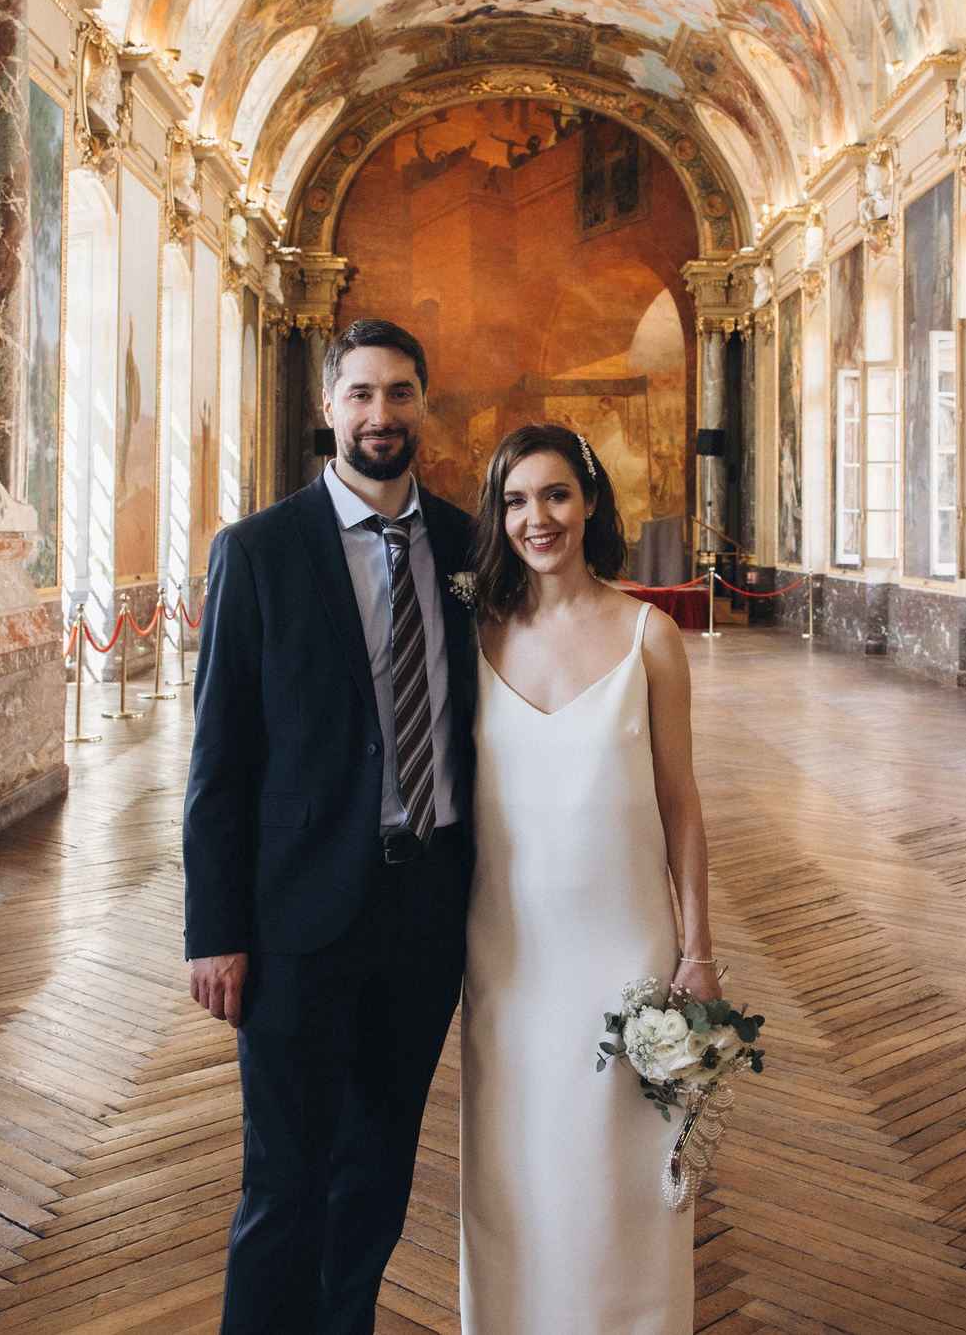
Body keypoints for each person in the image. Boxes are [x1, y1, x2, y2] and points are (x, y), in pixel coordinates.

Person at [185, 318, 479, 1335]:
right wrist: (213, 930)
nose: (380, 414)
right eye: (360, 394)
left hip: (427, 911)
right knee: (283, 1176)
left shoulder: (467, 548)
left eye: (399, 393)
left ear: (422, 405)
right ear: (328, 408)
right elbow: (219, 762)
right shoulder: (258, 552)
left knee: (378, 1165)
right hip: (294, 918)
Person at [460, 424, 715, 1334]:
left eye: (557, 494)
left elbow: (681, 803)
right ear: (498, 515)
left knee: (621, 1177)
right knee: (515, 1172)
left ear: (591, 500)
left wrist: (698, 952)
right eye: (518, 499)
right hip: (510, 958)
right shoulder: (477, 636)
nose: (539, 518)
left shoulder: (650, 636)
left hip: (626, 950)